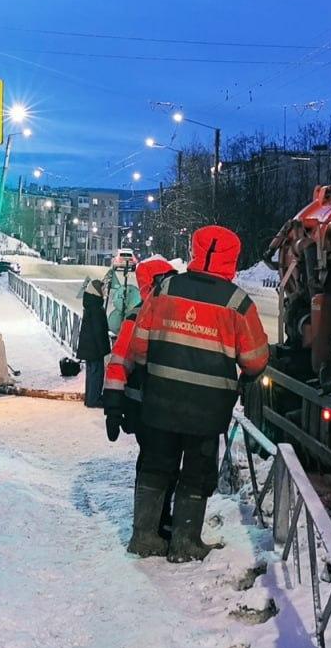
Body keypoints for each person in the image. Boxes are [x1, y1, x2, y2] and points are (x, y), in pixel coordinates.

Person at [126, 226, 269, 562]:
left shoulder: (165, 289)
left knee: (156, 465)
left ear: (195, 249)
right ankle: (185, 543)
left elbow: (139, 346)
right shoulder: (238, 303)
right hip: (208, 409)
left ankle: (144, 536)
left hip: (160, 399)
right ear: (233, 258)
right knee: (195, 471)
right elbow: (255, 360)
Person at [103, 256, 177, 545]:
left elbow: (118, 363)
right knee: (156, 465)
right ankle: (153, 523)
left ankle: (156, 521)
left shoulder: (142, 315)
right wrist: (113, 407)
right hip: (151, 407)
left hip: (150, 406)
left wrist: (113, 407)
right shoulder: (140, 317)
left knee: (159, 463)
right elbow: (119, 362)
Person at [75, 278, 111, 408]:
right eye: (102, 289)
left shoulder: (90, 304)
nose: (104, 291)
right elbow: (98, 330)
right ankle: (93, 399)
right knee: (96, 374)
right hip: (95, 348)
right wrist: (104, 349)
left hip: (88, 346)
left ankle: (90, 398)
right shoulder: (96, 308)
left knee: (91, 373)